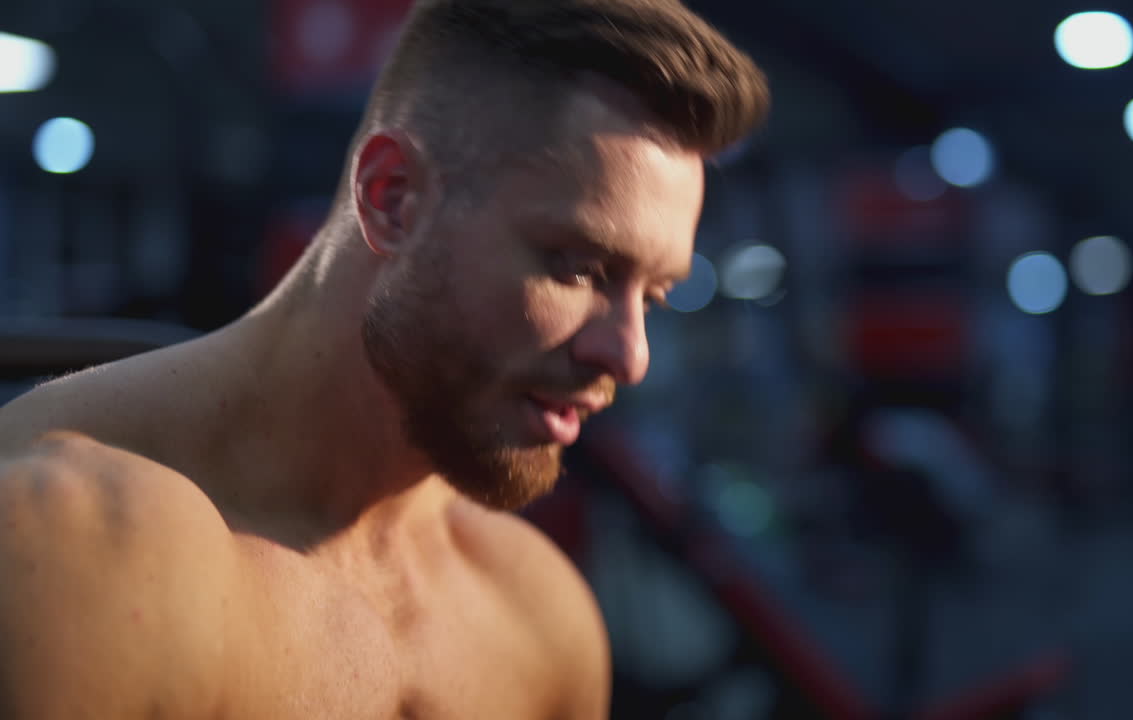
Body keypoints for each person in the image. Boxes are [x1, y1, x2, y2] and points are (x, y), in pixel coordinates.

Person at [0, 0, 769, 717]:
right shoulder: (78, 549)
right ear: (392, 195)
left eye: (656, 295)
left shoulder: (541, 612)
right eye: (575, 266)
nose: (629, 355)